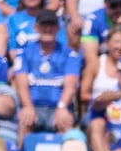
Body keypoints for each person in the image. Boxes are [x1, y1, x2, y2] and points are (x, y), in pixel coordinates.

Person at [12, 9, 80, 142]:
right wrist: (27, 106)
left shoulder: (69, 54)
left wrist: (62, 107)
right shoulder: (24, 52)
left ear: (58, 28)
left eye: (51, 25)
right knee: (25, 121)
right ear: (36, 27)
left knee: (66, 123)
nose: (48, 29)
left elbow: (70, 86)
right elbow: (20, 83)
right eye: (44, 25)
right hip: (33, 106)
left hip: (57, 107)